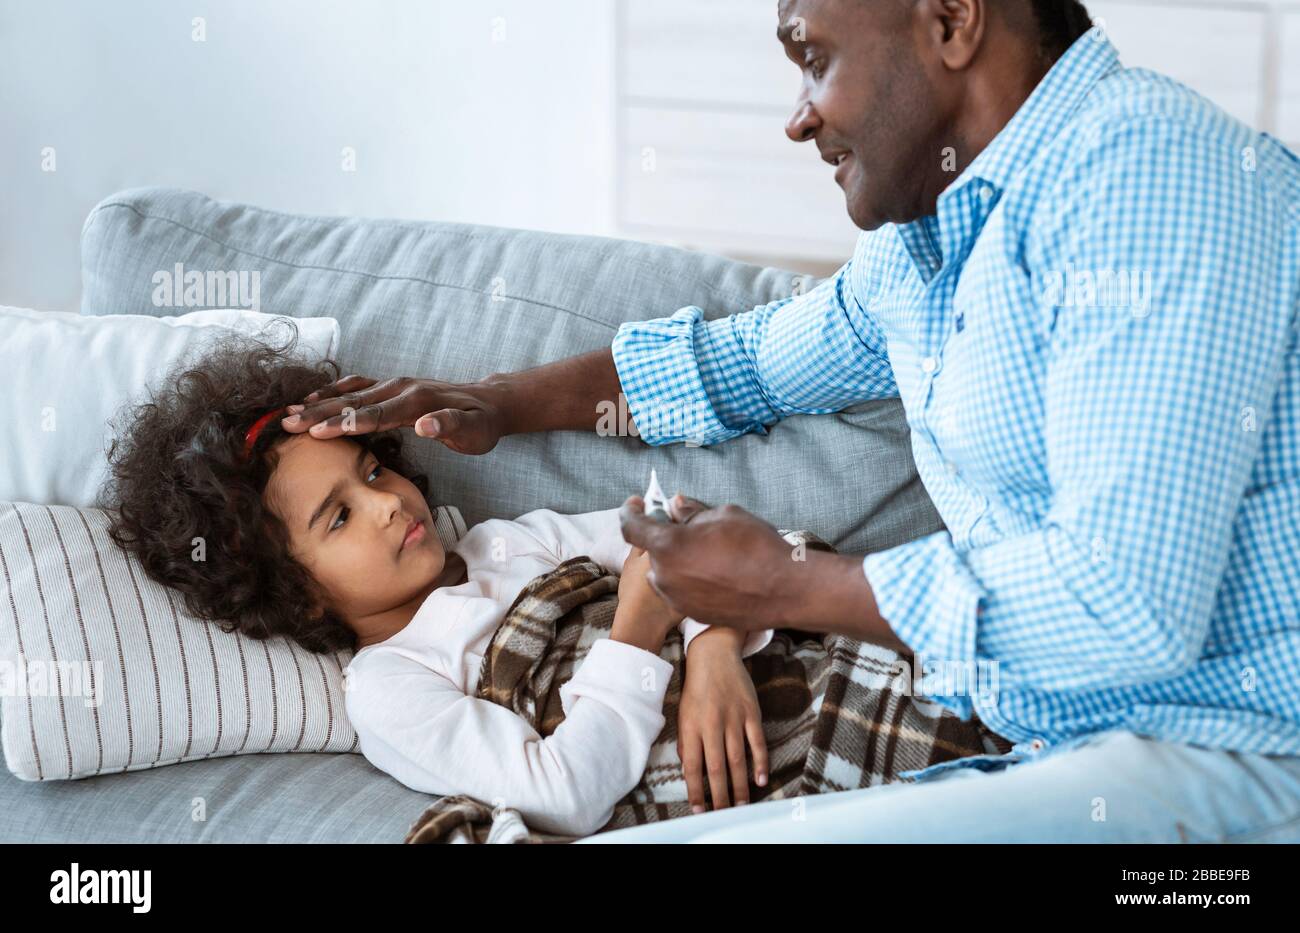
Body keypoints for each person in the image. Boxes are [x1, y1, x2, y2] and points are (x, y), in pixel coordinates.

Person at [280, 0, 1300, 842]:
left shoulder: (1147, 178)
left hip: (1240, 756)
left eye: (812, 60)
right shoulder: (928, 246)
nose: (799, 118)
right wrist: (498, 402)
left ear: (949, 20)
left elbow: (1129, 603)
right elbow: (737, 365)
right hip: (1070, 754)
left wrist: (787, 587)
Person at [102, 333, 774, 836]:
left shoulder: (506, 542)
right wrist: (637, 626)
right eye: (339, 517)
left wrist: (712, 642)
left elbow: (673, 527)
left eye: (371, 473)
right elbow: (562, 794)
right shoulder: (388, 684)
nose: (387, 504)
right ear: (296, 592)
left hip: (770, 671)